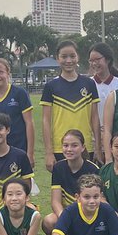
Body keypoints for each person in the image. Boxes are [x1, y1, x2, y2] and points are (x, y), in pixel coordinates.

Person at [41, 40, 100, 171]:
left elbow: (94, 117)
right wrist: (49, 152)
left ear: (78, 57)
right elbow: (45, 120)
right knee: (63, 189)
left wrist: (97, 147)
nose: (68, 60)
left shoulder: (89, 84)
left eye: (72, 56)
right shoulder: (51, 87)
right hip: (61, 147)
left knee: (87, 188)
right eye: (64, 56)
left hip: (85, 147)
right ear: (57, 58)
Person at [45, 129, 99, 234]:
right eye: (65, 145)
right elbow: (55, 201)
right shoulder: (58, 168)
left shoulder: (93, 169)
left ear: (83, 147)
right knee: (49, 221)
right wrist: (65, 219)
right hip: (67, 213)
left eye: (74, 146)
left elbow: (96, 202)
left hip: (88, 213)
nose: (69, 149)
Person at [0, 57, 34, 156]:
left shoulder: (19, 93)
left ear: (8, 73)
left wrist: (30, 153)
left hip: (20, 149)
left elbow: (29, 123)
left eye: (0, 72)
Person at [88, 42, 118, 161]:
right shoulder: (87, 84)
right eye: (91, 60)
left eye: (97, 59)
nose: (94, 63)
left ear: (108, 59)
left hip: (116, 140)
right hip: (92, 140)